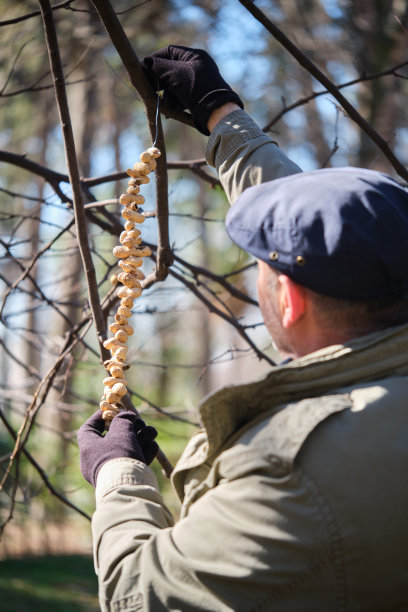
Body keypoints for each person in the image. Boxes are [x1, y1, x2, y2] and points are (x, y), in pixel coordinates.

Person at [78, 46, 408, 611]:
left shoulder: (290, 476)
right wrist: (224, 118)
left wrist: (119, 473)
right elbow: (337, 231)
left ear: (290, 297)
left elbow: (142, 594)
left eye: (262, 266)